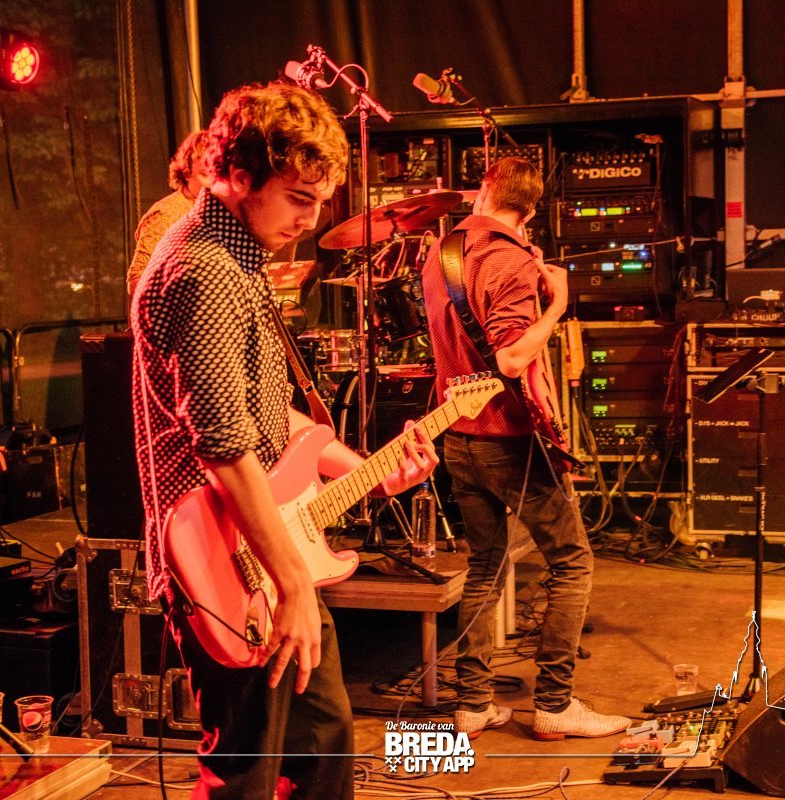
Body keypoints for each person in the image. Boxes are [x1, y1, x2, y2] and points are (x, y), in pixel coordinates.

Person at [130, 81, 438, 800]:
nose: (310, 219)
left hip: (261, 551)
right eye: (298, 198)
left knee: (322, 744)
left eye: (320, 202)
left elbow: (269, 422)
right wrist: (294, 582)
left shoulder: (238, 261)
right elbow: (221, 444)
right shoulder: (204, 269)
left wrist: (370, 472)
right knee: (249, 771)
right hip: (228, 561)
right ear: (239, 174)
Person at [420, 157, 631, 740]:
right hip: (509, 440)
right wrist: (557, 305)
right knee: (572, 562)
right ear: (532, 209)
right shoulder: (511, 261)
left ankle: (473, 704)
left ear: (485, 190)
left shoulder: (441, 253)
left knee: (485, 568)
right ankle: (555, 704)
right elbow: (512, 358)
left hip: (459, 434)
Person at [126, 129, 212, 297]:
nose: (213, 183)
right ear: (187, 174)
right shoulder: (166, 214)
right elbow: (136, 282)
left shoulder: (221, 212)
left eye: (218, 174)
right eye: (205, 175)